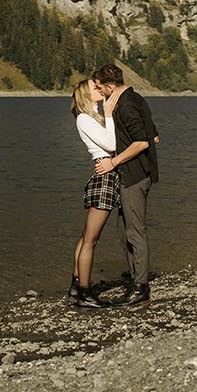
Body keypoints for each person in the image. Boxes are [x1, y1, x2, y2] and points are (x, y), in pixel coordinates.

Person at [92, 62, 159, 306]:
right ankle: (135, 277)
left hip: (135, 175)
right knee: (125, 230)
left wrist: (114, 161)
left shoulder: (127, 105)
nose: (99, 93)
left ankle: (141, 287)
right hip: (138, 173)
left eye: (100, 88)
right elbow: (155, 136)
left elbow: (143, 142)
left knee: (134, 231)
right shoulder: (136, 99)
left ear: (110, 87)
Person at [69, 75, 123, 308]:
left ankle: (75, 287)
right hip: (105, 176)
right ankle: (84, 292)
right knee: (91, 239)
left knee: (86, 237)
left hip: (106, 173)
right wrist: (110, 114)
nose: (100, 88)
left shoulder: (93, 117)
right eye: (95, 87)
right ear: (85, 93)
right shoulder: (83, 118)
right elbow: (110, 145)